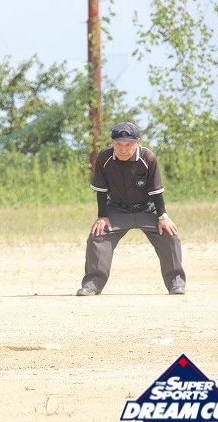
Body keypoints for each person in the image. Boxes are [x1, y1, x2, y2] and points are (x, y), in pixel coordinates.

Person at [76, 121, 187, 296]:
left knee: (169, 234)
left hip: (147, 208)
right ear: (112, 142)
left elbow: (156, 191)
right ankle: (92, 285)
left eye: (128, 145)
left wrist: (162, 216)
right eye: (118, 144)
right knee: (98, 235)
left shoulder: (148, 157)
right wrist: (102, 216)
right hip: (117, 209)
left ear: (137, 142)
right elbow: (101, 190)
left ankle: (176, 284)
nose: (123, 149)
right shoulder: (104, 157)